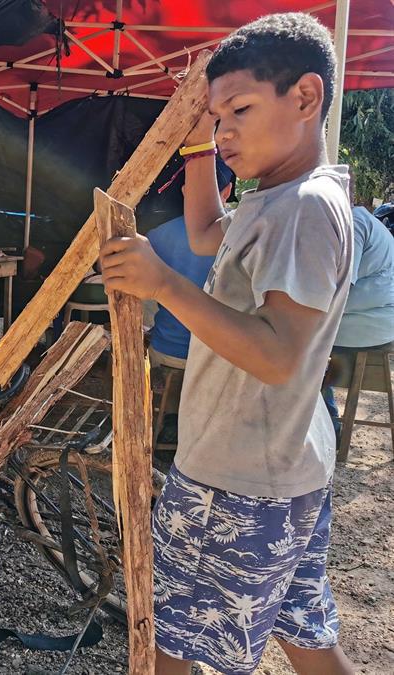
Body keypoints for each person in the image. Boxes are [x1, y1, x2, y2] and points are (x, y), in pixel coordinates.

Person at [100, 14, 354, 675]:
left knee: (165, 648)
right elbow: (209, 229)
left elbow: (276, 354)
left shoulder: (302, 208)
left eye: (239, 109)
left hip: (236, 483)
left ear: (305, 98)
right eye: (217, 117)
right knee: (307, 638)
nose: (225, 130)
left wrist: (164, 284)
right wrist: (194, 151)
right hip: (286, 466)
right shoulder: (277, 197)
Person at [147, 160, 235, 442]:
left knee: (153, 334)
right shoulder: (243, 236)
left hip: (168, 351)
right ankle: (201, 423)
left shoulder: (159, 235)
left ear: (186, 189)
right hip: (221, 355)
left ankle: (172, 417)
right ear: (228, 191)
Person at [321, 205, 394, 434]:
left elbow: (338, 291)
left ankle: (328, 428)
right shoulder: (352, 221)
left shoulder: (352, 224)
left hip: (372, 327)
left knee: (294, 347)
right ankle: (327, 424)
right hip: (370, 323)